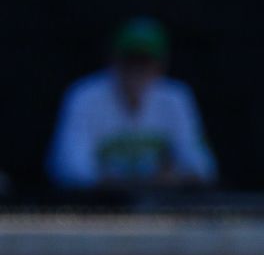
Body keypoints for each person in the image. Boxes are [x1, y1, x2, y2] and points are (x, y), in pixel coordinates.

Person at [46, 17, 217, 191]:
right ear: (113, 60)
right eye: (130, 60)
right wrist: (130, 184)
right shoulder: (84, 95)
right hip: (99, 209)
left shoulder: (176, 97)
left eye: (145, 61)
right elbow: (68, 168)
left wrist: (175, 177)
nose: (136, 69)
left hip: (161, 209)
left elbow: (203, 167)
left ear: (161, 65)